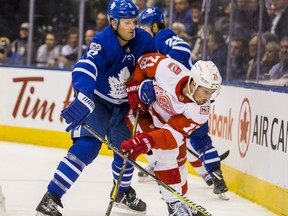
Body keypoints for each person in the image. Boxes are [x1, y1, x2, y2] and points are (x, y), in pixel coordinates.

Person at [35, 0, 157, 215]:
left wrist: (148, 83)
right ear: (113, 22)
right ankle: (50, 198)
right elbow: (85, 67)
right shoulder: (103, 42)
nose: (132, 26)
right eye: (127, 22)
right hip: (99, 102)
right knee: (87, 147)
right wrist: (84, 95)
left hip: (124, 105)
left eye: (134, 22)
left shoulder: (144, 39)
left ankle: (122, 191)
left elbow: (154, 66)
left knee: (126, 150)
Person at [121, 52, 227, 215]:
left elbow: (170, 136)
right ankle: (174, 205)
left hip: (165, 125)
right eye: (205, 92)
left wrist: (146, 142)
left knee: (180, 162)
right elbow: (143, 62)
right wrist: (136, 88)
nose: (208, 97)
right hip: (142, 114)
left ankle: (180, 202)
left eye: (211, 92)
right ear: (193, 83)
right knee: (167, 153)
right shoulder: (169, 69)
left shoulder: (200, 111)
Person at [136, 6, 213, 187]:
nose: (141, 30)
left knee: (182, 140)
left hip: (189, 96)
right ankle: (207, 175)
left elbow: (181, 51)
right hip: (180, 95)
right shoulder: (154, 41)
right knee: (178, 140)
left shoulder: (164, 38)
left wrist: (162, 74)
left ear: (155, 26)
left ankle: (207, 175)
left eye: (145, 26)